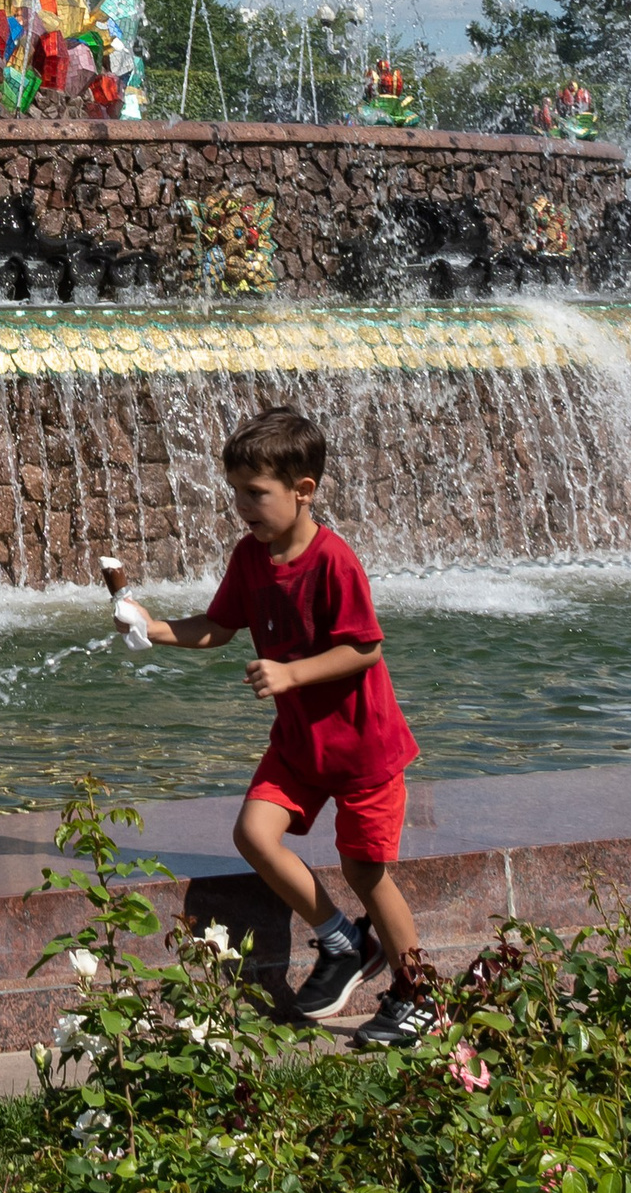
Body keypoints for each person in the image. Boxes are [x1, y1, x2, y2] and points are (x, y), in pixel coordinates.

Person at [111, 402, 438, 1047]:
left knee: (364, 869)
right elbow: (218, 627)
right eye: (236, 492)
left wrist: (291, 674)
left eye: (255, 493)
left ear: (302, 490)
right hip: (299, 745)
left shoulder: (334, 561)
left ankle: (419, 995)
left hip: (363, 749)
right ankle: (342, 940)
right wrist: (152, 627)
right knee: (254, 834)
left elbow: (365, 648)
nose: (243, 506)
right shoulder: (250, 557)